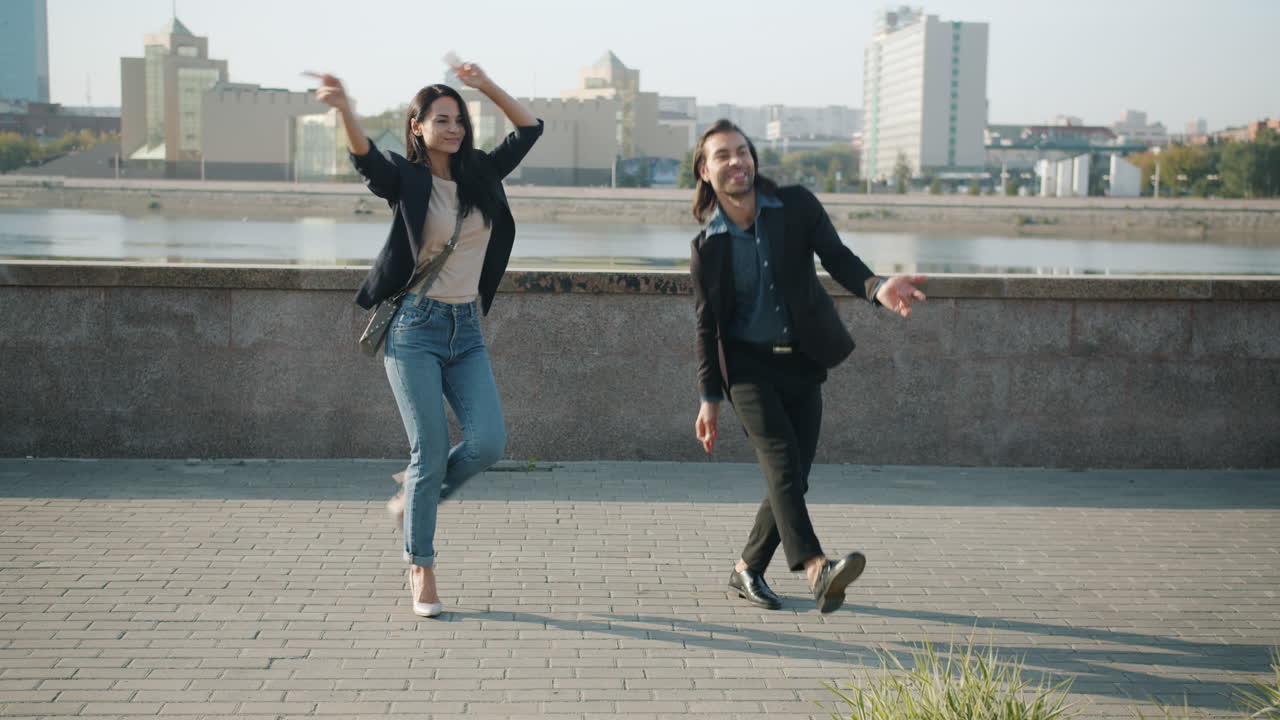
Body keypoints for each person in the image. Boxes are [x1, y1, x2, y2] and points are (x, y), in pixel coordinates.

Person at [313, 63, 541, 617]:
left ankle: (414, 495)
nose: (454, 127)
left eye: (459, 119)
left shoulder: (482, 174)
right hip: (414, 328)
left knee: (489, 443)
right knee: (430, 450)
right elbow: (366, 158)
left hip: (466, 329)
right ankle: (421, 567)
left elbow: (529, 129)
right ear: (417, 127)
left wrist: (483, 84)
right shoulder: (408, 180)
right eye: (441, 120)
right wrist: (345, 110)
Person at [689, 120, 926, 614]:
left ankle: (746, 568)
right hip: (749, 371)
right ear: (705, 173)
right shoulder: (707, 247)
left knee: (794, 477)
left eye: (742, 152)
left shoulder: (795, 206)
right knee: (781, 462)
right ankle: (818, 569)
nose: (737, 162)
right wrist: (710, 399)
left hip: (802, 360)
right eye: (722, 156)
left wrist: (878, 288)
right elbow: (707, 328)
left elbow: (838, 257)